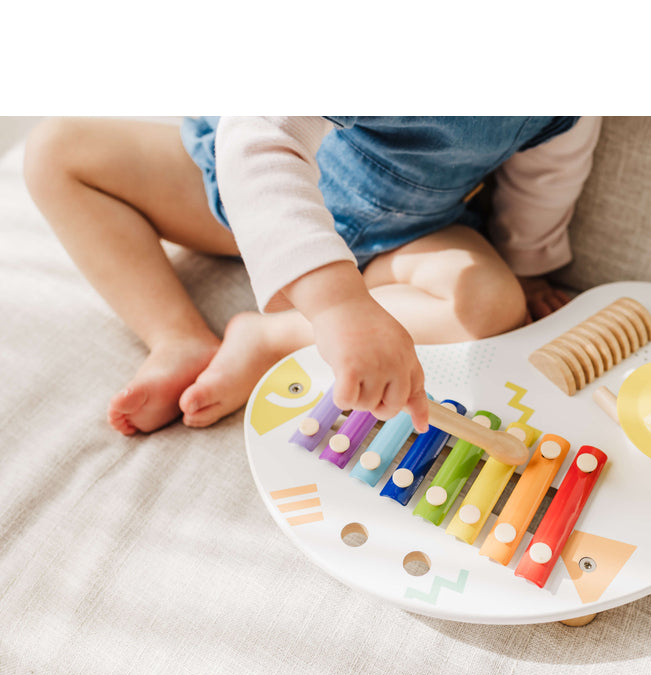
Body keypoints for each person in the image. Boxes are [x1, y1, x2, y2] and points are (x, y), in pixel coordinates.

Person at [23, 115, 601, 436]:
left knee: (491, 304)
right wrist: (338, 306)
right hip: (249, 204)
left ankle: (271, 337)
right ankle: (176, 336)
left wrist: (530, 269)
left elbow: (546, 177)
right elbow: (259, 142)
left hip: (401, 237)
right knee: (57, 152)